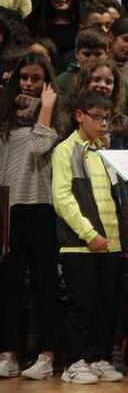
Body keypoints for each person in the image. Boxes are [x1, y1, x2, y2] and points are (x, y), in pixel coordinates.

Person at [52, 91, 128, 385]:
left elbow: (117, 197)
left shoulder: (104, 152)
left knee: (107, 304)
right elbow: (62, 198)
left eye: (107, 117)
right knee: (81, 304)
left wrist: (124, 238)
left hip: (112, 242)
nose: (104, 123)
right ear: (79, 115)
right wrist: (89, 233)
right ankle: (75, 361)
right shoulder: (65, 150)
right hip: (80, 243)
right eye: (97, 117)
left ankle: (99, 358)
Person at [0, 51, 59, 380]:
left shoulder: (54, 114)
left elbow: (38, 149)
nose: (29, 84)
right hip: (8, 206)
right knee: (8, 284)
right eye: (25, 77)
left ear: (46, 80)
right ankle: (8, 352)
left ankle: (46, 354)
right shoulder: (5, 114)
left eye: (36, 78)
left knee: (44, 283)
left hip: (40, 206)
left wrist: (47, 108)